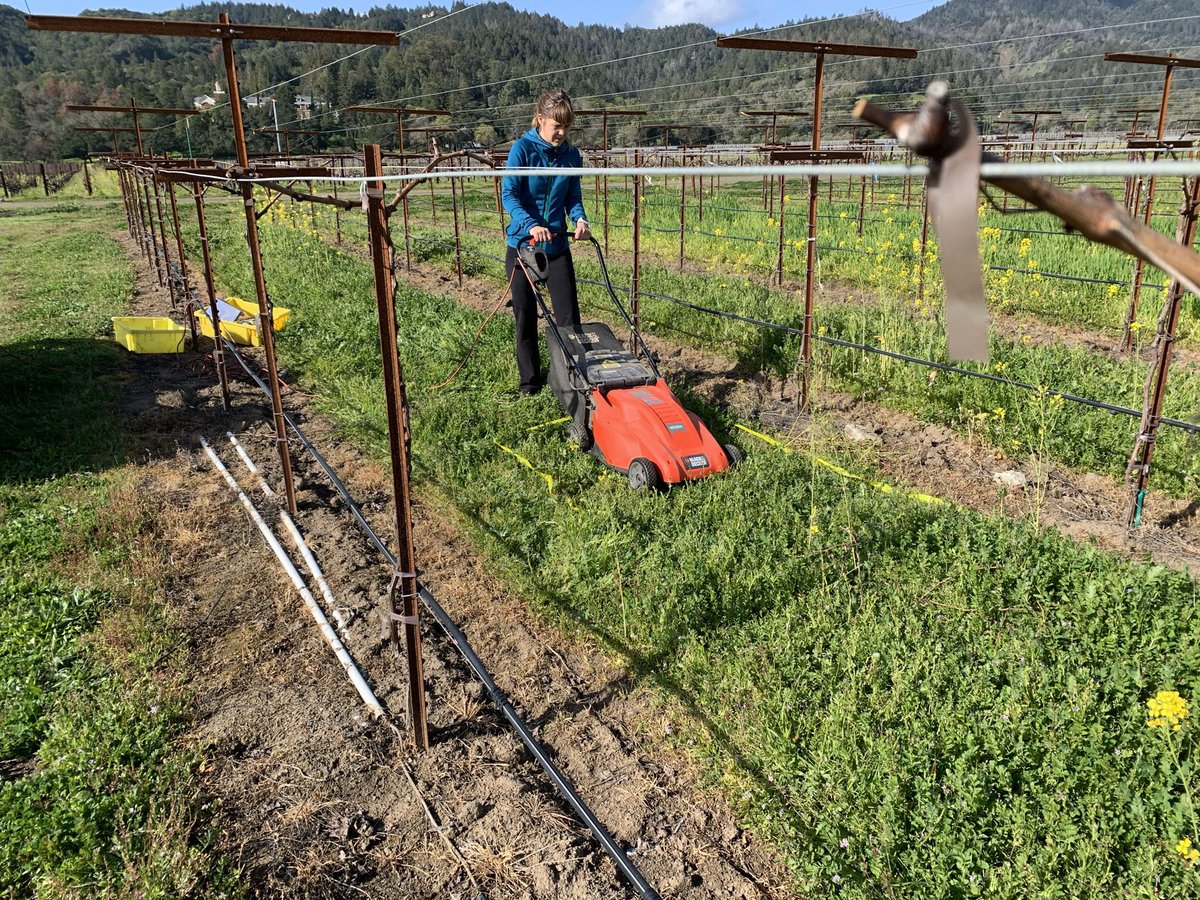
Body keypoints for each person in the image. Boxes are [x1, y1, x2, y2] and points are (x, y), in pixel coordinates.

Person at [501, 88, 591, 395]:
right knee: (525, 316)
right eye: (557, 125)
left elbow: (572, 197)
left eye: (567, 126)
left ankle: (570, 381)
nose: (562, 132)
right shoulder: (522, 149)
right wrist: (530, 224)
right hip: (523, 248)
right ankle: (530, 383)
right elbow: (509, 195)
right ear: (541, 119)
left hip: (556, 248)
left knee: (568, 320)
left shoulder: (572, 155)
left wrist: (580, 219)